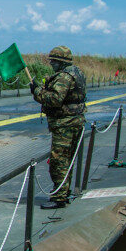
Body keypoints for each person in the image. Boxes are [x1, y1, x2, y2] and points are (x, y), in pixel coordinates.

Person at [31, 45, 86, 209]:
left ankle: (60, 197)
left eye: (54, 61)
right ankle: (64, 191)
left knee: (59, 160)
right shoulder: (78, 73)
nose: (51, 64)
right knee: (68, 159)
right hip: (75, 122)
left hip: (65, 124)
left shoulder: (64, 77)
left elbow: (55, 99)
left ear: (60, 62)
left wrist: (37, 91)